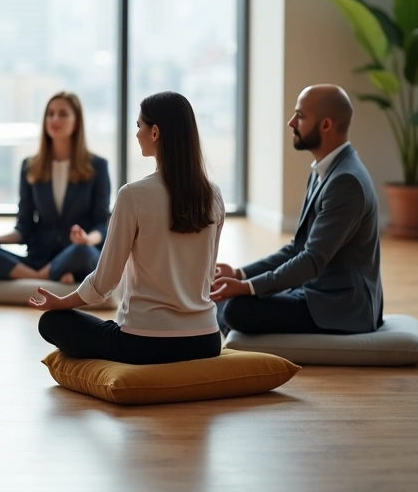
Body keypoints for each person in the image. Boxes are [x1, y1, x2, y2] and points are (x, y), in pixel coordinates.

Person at [30, 92, 224, 364]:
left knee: (52, 322)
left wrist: (63, 302)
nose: (136, 134)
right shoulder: (213, 195)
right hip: (206, 340)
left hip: (144, 343)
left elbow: (105, 281)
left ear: (154, 132)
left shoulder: (133, 195)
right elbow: (207, 275)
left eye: (138, 126)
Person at [212, 84, 383, 335]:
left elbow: (311, 260)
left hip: (342, 308)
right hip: (315, 291)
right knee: (226, 299)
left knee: (235, 308)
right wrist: (240, 274)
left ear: (325, 125)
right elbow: (298, 247)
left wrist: (246, 287)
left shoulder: (346, 182)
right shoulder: (325, 171)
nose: (291, 122)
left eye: (300, 116)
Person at [0, 92, 110, 284]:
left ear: (77, 123)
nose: (54, 119)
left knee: (83, 252)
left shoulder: (97, 166)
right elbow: (24, 226)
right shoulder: (30, 166)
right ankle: (46, 276)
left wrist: (87, 240)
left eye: (63, 114)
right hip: (39, 258)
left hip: (78, 253)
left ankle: (46, 274)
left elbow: (102, 224)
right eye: (50, 114)